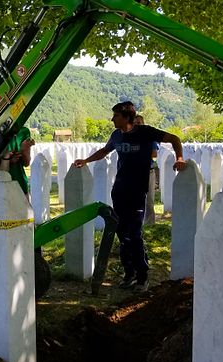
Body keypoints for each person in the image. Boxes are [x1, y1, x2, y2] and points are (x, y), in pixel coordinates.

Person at [74, 101, 186, 291]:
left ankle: (143, 276)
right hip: (119, 190)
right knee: (121, 232)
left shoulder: (145, 132)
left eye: (116, 116)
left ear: (127, 117)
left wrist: (180, 158)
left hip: (137, 191)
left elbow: (175, 139)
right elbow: (104, 151)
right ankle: (129, 273)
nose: (112, 119)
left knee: (134, 234)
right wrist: (86, 160)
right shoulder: (116, 135)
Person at [0, 127, 35, 196]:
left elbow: (26, 163)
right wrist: (9, 161)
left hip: (20, 185)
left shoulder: (23, 131)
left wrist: (24, 150)